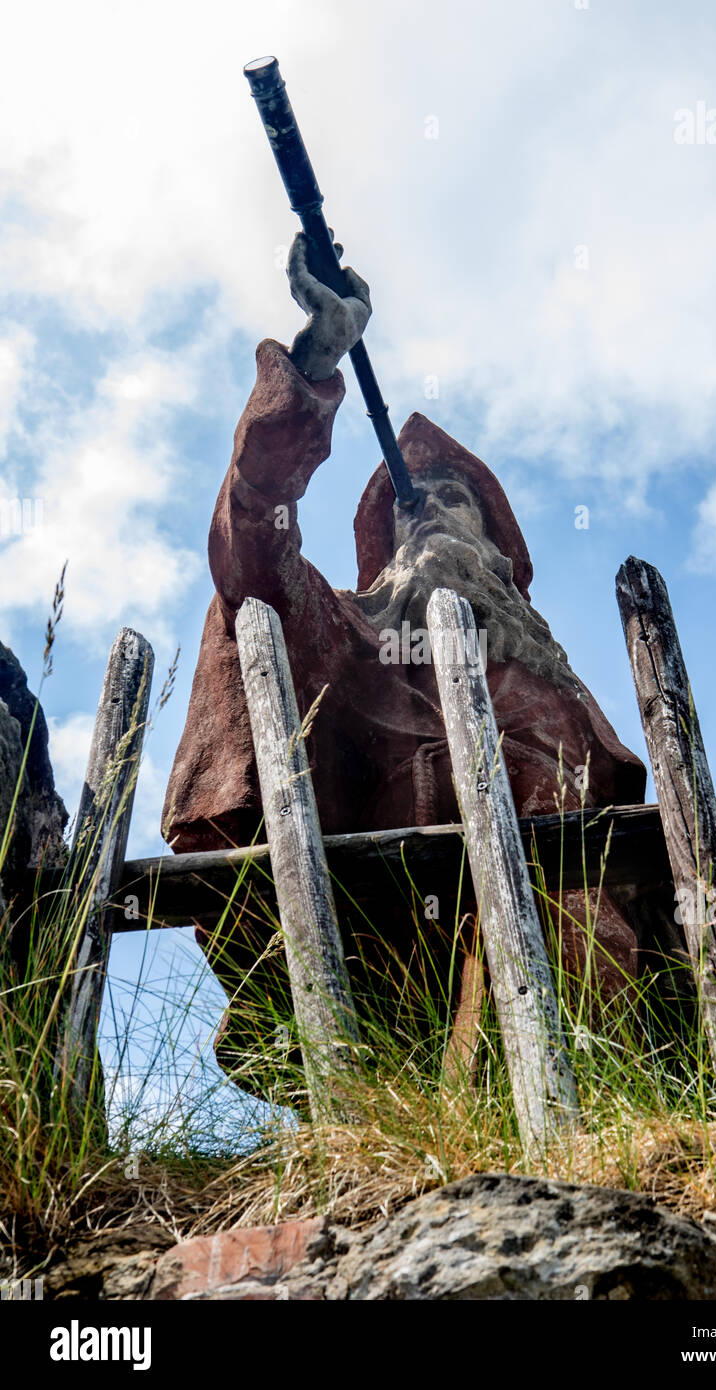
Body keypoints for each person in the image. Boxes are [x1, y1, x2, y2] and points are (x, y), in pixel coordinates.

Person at [162, 234, 648, 1097]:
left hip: (584, 974)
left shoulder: (559, 687)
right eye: (404, 513)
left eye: (452, 498)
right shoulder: (350, 639)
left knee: (577, 933)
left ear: (498, 547)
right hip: (397, 968)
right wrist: (313, 364)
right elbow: (252, 552)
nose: (426, 512)